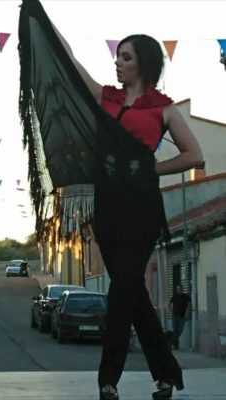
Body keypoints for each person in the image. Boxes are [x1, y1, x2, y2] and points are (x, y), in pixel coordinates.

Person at [53, 32, 203, 400]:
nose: (117, 63)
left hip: (141, 209)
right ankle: (166, 375)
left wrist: (152, 169)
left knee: (122, 293)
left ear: (145, 63)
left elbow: (194, 155)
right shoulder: (106, 98)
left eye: (126, 57)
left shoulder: (163, 109)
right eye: (117, 56)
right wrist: (39, 13)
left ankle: (108, 380)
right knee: (131, 291)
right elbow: (69, 60)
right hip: (107, 208)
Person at [169, 285, 191, 349]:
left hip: (182, 316)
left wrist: (187, 313)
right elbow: (169, 304)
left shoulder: (186, 296)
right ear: (176, 289)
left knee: (179, 330)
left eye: (180, 288)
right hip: (174, 315)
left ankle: (170, 342)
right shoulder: (174, 297)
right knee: (175, 330)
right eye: (177, 288)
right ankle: (176, 346)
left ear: (182, 289)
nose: (179, 290)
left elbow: (189, 305)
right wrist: (170, 309)